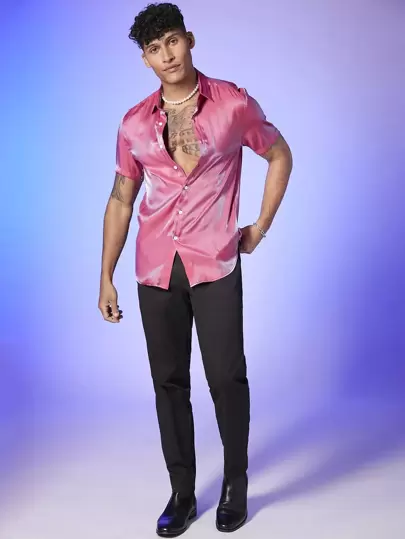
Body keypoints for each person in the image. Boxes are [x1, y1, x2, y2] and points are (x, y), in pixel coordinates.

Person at [98, 2, 292, 536]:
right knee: (168, 382)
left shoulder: (233, 104)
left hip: (215, 263)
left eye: (172, 41)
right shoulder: (134, 123)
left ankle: (235, 485)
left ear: (189, 39)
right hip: (156, 268)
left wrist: (259, 226)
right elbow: (120, 198)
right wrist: (105, 275)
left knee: (226, 376)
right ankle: (182, 493)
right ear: (145, 59)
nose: (167, 55)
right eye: (154, 48)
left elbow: (279, 154)